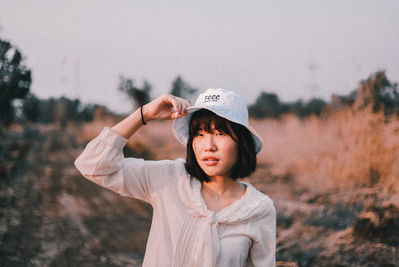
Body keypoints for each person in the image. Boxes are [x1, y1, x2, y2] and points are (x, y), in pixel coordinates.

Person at [74, 88, 276, 267]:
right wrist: (144, 115)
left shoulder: (258, 209)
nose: (209, 146)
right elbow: (92, 164)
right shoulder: (169, 179)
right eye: (200, 134)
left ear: (242, 142)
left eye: (220, 134)